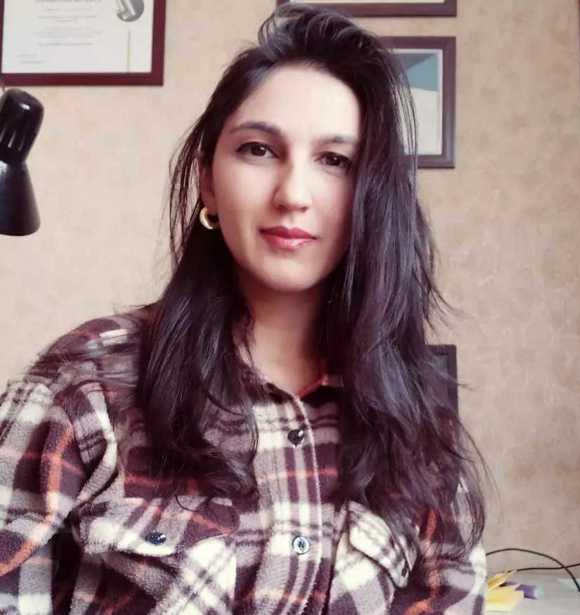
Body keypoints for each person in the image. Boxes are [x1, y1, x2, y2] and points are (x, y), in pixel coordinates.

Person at [0, 4, 487, 614]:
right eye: (258, 150)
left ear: (373, 195)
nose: (293, 194)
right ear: (207, 180)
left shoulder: (415, 421)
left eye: (336, 161)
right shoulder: (85, 384)